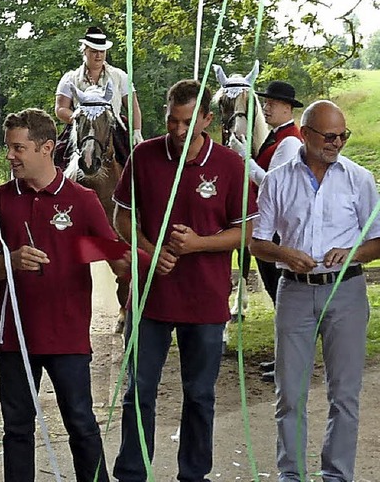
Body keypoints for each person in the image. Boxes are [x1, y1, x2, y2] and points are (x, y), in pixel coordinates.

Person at [112, 79, 258, 482]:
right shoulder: (143, 156)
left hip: (206, 301)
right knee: (138, 393)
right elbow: (122, 217)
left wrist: (199, 244)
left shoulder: (229, 165)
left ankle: (193, 475)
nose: (177, 131)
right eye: (172, 120)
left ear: (208, 119)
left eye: (187, 123)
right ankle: (132, 473)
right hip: (150, 300)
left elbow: (247, 231)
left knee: (200, 395)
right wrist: (149, 251)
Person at [0, 108, 126, 482]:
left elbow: (114, 257)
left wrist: (139, 264)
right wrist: (10, 261)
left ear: (47, 147)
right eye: (8, 148)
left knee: (81, 423)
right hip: (15, 337)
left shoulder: (82, 199)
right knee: (17, 429)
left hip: (67, 336)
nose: (10, 156)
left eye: (18, 148)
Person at [250, 100, 380, 482]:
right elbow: (258, 243)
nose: (336, 142)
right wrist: (285, 253)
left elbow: (378, 240)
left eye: (342, 135)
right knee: (289, 393)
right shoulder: (277, 179)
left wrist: (352, 252)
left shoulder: (360, 178)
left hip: (347, 292)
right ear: (305, 134)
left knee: (345, 394)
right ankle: (291, 474)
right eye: (328, 136)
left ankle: (336, 476)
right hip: (294, 292)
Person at [228, 80, 303, 379]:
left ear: (287, 107)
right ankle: (282, 356)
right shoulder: (277, 138)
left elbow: (274, 183)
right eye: (266, 103)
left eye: (271, 103)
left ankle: (289, 360)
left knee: (280, 295)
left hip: (276, 229)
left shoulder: (290, 142)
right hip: (268, 224)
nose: (266, 107)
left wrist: (244, 158)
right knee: (276, 295)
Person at [54, 26, 143, 167]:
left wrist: (136, 131)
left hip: (113, 128)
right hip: (80, 128)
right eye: (94, 51)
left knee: (136, 164)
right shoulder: (70, 78)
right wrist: (80, 119)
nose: (98, 56)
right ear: (84, 51)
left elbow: (133, 107)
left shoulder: (120, 76)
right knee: (57, 159)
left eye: (102, 51)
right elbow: (60, 109)